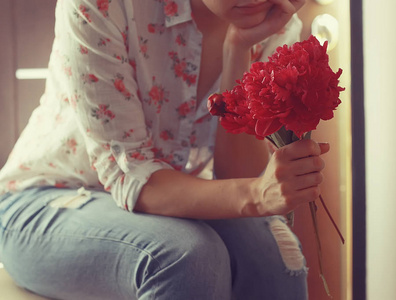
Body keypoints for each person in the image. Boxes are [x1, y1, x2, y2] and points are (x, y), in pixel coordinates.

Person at [0, 0, 330, 299]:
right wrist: (259, 193)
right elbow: (133, 178)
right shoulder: (103, 5)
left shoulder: (272, 21)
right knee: (187, 257)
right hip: (48, 199)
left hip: (172, 192)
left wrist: (238, 48)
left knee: (274, 254)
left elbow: (236, 177)